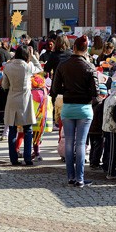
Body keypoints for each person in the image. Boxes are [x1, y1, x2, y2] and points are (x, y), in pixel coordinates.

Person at [50, 35, 100, 187]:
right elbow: (96, 92)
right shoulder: (89, 66)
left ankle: (71, 177)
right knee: (81, 144)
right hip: (84, 108)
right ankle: (80, 178)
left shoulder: (63, 65)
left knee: (69, 143)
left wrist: (68, 90)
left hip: (68, 107)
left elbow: (55, 89)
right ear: (86, 50)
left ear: (74, 48)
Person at [1, 45, 41, 166]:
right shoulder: (28, 66)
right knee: (28, 129)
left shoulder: (8, 67)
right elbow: (39, 68)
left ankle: (13, 158)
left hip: (12, 98)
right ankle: (28, 158)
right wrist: (33, 56)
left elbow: (5, 85)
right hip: (25, 99)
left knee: (12, 129)